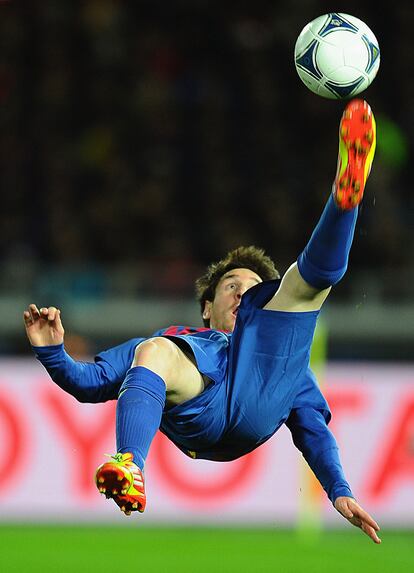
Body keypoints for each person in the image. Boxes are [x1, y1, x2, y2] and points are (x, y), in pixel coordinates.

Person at [24, 99, 381, 544]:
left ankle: (344, 197)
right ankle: (130, 466)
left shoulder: (288, 363)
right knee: (153, 350)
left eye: (252, 287)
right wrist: (51, 352)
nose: (241, 292)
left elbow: (313, 430)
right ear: (206, 306)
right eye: (231, 285)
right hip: (201, 410)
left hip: (259, 391)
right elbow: (89, 382)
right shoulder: (177, 342)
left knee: (304, 286)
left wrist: (339, 491)